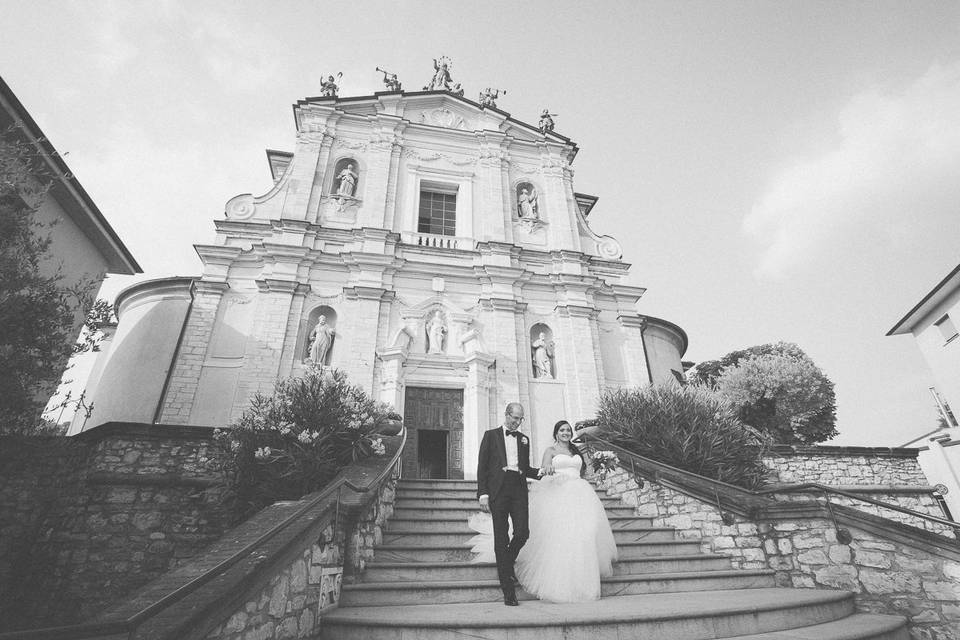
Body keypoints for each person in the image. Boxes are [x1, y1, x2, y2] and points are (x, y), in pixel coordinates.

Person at [469, 420, 617, 603]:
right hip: (549, 494)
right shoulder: (549, 450)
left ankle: (582, 574)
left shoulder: (571, 450)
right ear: (556, 433)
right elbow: (543, 471)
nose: (566, 433)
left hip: (582, 494)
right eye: (562, 430)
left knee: (586, 533)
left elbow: (529, 469)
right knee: (556, 537)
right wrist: (483, 493)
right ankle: (509, 583)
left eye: (568, 430)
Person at [476, 403, 541, 606]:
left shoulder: (524, 439)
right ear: (506, 415)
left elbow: (525, 467)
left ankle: (506, 564)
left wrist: (542, 472)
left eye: (521, 419)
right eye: (514, 418)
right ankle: (508, 590)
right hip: (498, 491)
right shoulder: (490, 435)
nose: (517, 422)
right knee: (501, 536)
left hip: (518, 489)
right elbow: (482, 466)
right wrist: (483, 494)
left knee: (523, 532)